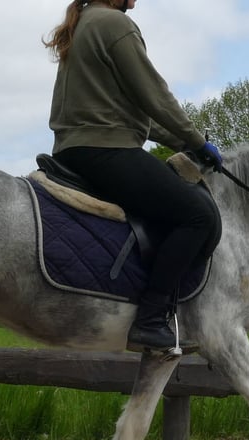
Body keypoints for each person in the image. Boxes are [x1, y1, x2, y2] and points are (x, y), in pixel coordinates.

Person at [44, 0, 223, 353]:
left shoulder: (83, 23)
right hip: (106, 150)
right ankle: (151, 318)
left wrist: (188, 143)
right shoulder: (115, 24)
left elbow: (135, 116)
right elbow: (156, 98)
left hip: (72, 150)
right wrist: (198, 141)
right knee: (198, 216)